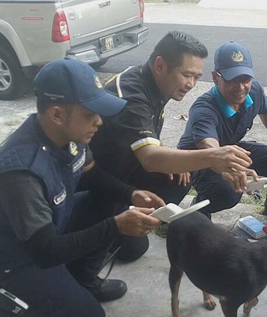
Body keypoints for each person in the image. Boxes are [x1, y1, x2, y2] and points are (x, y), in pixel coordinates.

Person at [0, 59, 163, 317]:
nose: (99, 122)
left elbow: (92, 174)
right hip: (18, 260)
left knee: (112, 202)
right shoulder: (22, 173)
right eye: (90, 114)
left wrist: (131, 194)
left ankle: (81, 278)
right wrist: (115, 226)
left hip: (50, 226)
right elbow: (44, 252)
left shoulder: (69, 137)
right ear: (57, 114)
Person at [90, 32, 254, 260]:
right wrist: (213, 156)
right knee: (130, 250)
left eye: (197, 77)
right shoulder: (131, 91)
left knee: (178, 176)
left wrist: (177, 161)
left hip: (124, 170)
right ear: (160, 65)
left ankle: (136, 219)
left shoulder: (157, 86)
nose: (191, 84)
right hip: (95, 180)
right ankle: (97, 236)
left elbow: (145, 137)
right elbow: (149, 157)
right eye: (187, 75)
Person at [178, 41, 267, 217]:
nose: (241, 87)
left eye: (245, 79)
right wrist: (230, 169)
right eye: (232, 80)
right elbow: (208, 147)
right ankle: (199, 209)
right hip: (199, 160)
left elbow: (266, 110)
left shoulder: (254, 90)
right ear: (215, 77)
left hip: (230, 148)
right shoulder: (203, 109)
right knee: (229, 192)